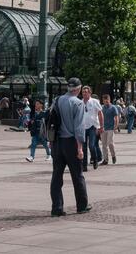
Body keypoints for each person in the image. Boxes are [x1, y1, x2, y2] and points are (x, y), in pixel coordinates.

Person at [50, 77, 90, 216]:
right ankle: (82, 205)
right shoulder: (78, 103)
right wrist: (80, 148)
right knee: (77, 175)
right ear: (78, 89)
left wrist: (50, 141)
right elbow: (79, 128)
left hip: (57, 142)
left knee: (56, 176)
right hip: (71, 142)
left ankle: (57, 208)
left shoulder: (57, 100)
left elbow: (51, 121)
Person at [81, 86, 103, 171]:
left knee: (92, 145)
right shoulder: (80, 102)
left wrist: (101, 126)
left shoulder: (95, 102)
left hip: (93, 126)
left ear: (90, 93)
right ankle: (84, 165)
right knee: (83, 147)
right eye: (83, 92)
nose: (84, 93)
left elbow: (100, 114)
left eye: (86, 92)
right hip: (83, 127)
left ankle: (95, 159)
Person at [100, 94, 119, 165]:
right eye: (104, 100)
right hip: (103, 128)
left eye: (107, 100)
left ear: (109, 100)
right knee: (104, 145)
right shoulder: (102, 108)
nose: (106, 101)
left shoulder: (113, 107)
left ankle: (113, 155)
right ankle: (105, 159)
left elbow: (116, 117)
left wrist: (116, 125)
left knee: (110, 143)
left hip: (111, 128)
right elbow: (99, 117)